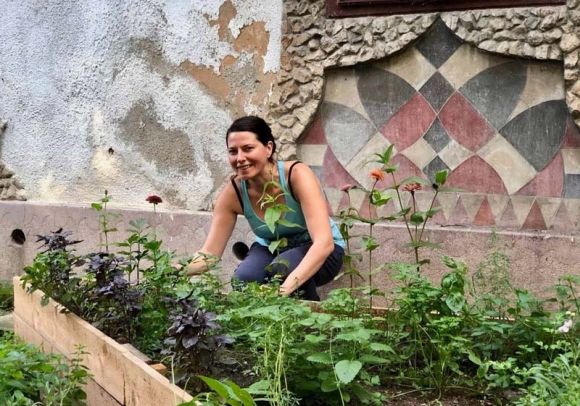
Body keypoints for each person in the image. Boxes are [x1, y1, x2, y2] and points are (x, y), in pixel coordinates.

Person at [186, 116, 345, 301]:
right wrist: (173, 270)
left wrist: (282, 291)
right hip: (271, 247)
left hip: (323, 251)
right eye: (233, 151)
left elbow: (324, 243)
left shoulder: (297, 175)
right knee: (244, 279)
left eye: (248, 149)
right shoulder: (233, 192)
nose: (240, 158)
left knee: (283, 269)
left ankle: (309, 317)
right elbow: (210, 254)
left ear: (268, 148)